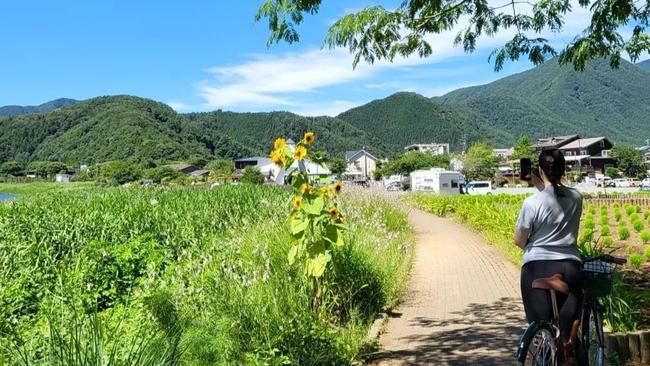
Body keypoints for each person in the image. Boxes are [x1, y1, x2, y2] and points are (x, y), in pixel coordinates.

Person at [513, 149, 584, 348]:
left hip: (537, 266)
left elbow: (519, 240)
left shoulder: (531, 203)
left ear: (540, 171)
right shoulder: (577, 197)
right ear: (564, 170)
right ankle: (567, 347)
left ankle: (542, 348)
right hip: (570, 266)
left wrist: (533, 245)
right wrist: (540, 182)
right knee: (566, 330)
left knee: (539, 326)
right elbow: (555, 194)